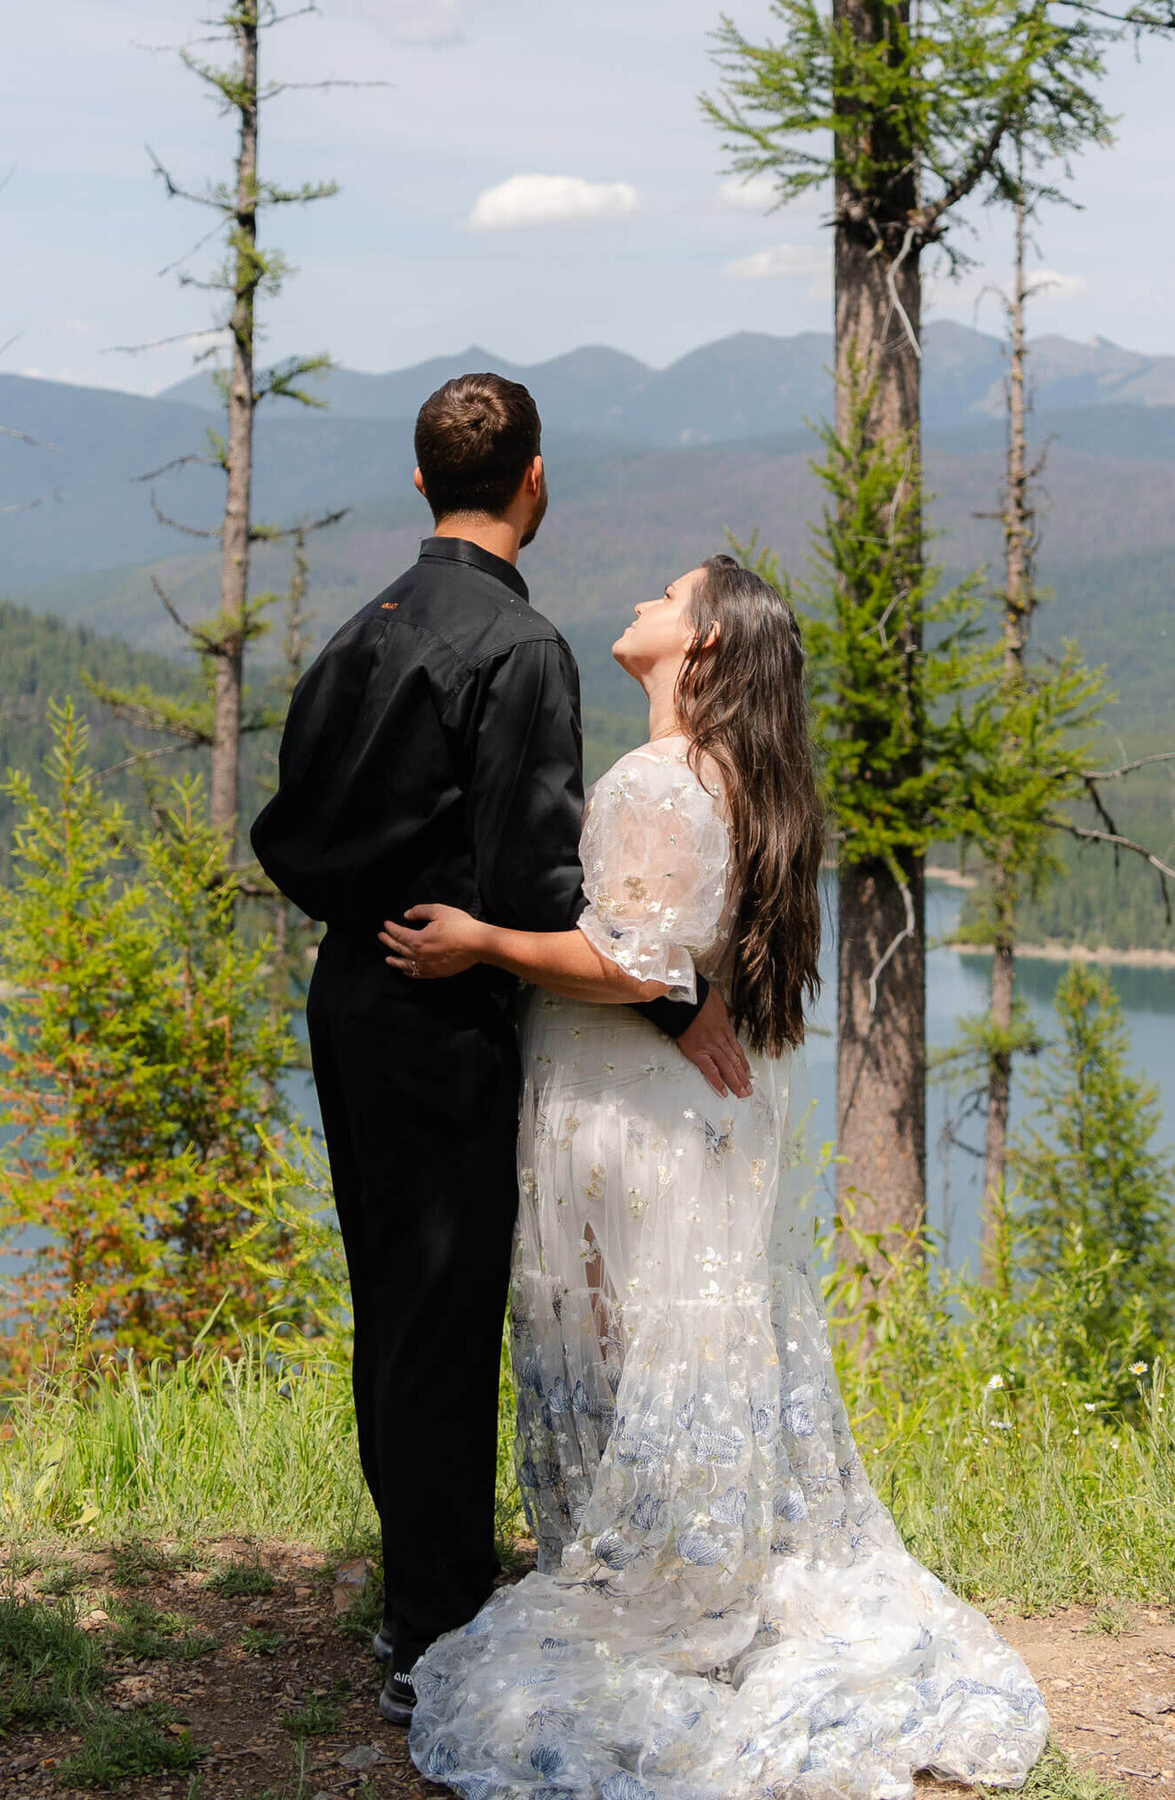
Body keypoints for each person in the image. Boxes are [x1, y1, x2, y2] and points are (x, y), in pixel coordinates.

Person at [381, 555, 1049, 1800]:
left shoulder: (656, 779)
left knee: (620, 1339)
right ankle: (682, 1555)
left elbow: (629, 967)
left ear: (702, 651)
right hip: (694, 1107)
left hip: (630, 1107)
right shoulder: (740, 783)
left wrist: (477, 940)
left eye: (667, 597)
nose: (639, 600)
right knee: (679, 1341)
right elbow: (684, 969)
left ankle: (647, 1573)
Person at [249, 375, 752, 1727]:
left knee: (393, 1305)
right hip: (447, 1011)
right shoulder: (521, 653)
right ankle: (435, 1629)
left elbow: (285, 834)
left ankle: (419, 1591)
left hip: (353, 990)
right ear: (537, 481)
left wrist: (368, 916)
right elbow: (538, 881)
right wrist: (669, 1000)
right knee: (446, 1310)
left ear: (422, 484)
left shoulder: (362, 634)